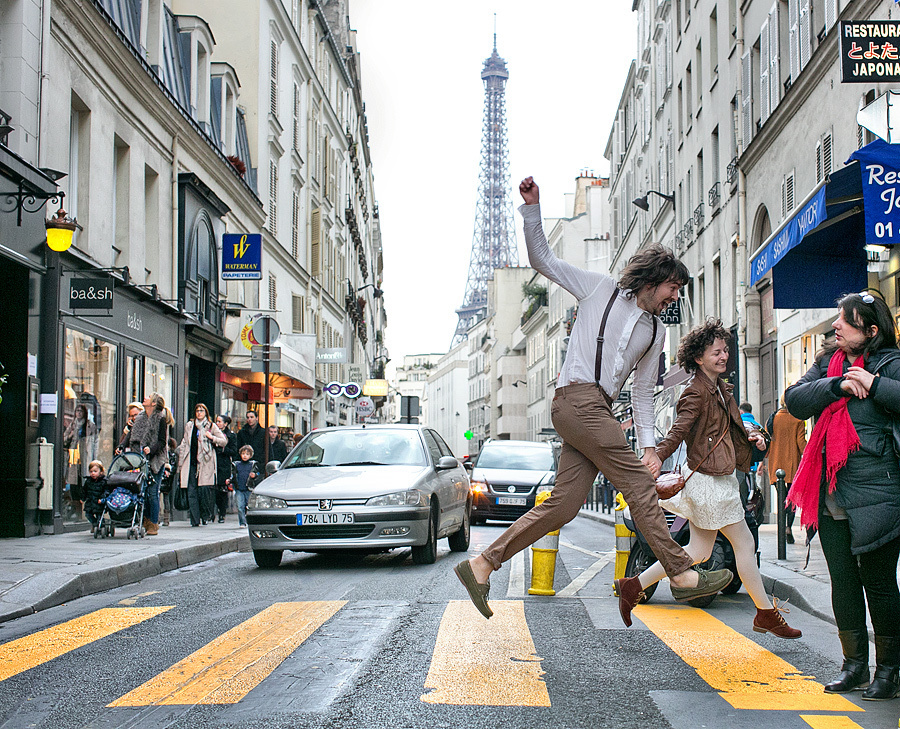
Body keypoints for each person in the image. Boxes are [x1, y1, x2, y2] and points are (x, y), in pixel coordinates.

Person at [454, 176, 733, 622]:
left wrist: (648, 447)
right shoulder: (598, 288)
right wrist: (532, 208)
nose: (674, 297)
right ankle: (680, 574)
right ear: (656, 278)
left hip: (597, 409)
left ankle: (482, 564)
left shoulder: (656, 330)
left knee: (563, 505)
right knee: (639, 487)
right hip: (573, 399)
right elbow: (543, 260)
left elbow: (643, 391)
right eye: (673, 288)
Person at [626, 321, 800, 638]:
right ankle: (765, 614)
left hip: (717, 480)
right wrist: (655, 456)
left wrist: (753, 437)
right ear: (698, 358)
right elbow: (679, 432)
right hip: (709, 482)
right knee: (743, 544)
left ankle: (633, 585)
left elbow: (731, 430)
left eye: (725, 350)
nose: (723, 356)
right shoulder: (696, 392)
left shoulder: (720, 389)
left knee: (698, 551)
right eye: (716, 352)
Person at [785, 292, 900, 701]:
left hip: (877, 492)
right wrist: (838, 385)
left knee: (880, 584)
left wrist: (874, 383)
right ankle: (854, 666)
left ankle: (889, 672)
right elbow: (794, 401)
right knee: (844, 584)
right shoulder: (827, 363)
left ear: (870, 331)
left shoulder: (891, 364)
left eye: (846, 322)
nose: (836, 326)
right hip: (830, 492)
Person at [766, 394, 807, 544]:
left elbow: (766, 444)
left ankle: (783, 527)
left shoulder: (772, 419)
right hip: (792, 465)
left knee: (782, 498)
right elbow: (801, 444)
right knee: (792, 499)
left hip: (776, 465)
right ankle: (788, 527)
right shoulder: (797, 420)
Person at [177, 403, 226, 527]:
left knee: (203, 491)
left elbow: (223, 441)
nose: (199, 413)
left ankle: (205, 515)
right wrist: (180, 463)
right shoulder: (189, 426)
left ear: (206, 413)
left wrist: (212, 437)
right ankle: (194, 520)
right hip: (191, 462)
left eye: (202, 411)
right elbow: (184, 443)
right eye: (197, 410)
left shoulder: (210, 426)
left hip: (205, 462)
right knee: (191, 491)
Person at [139, 393, 171, 535]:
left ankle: (153, 523)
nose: (145, 397)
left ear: (153, 404)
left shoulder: (161, 419)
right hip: (139, 459)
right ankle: (143, 520)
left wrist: (150, 450)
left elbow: (162, 442)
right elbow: (133, 436)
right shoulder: (141, 417)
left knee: (152, 493)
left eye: (149, 397)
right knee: (142, 492)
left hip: (156, 460)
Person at [227, 445, 259, 527]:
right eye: (243, 453)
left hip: (248, 488)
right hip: (239, 488)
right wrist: (229, 480)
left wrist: (254, 475)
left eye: (247, 454)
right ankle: (242, 522)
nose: (245, 456)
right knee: (240, 506)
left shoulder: (252, 465)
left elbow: (258, 474)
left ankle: (248, 521)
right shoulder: (236, 465)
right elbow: (233, 475)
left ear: (250, 455)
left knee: (248, 506)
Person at [215, 415, 239, 523]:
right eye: (217, 421)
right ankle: (211, 512)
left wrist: (223, 450)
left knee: (222, 489)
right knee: (212, 489)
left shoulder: (231, 436)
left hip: (224, 464)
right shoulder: (212, 433)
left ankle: (222, 513)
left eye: (220, 421)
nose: (218, 423)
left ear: (225, 424)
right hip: (213, 463)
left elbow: (234, 451)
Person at [82, 460, 109, 533]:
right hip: (90, 501)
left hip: (98, 502)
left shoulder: (104, 481)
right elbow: (85, 490)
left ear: (101, 472)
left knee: (99, 515)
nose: (93, 473)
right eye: (91, 471)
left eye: (95, 471)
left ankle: (101, 526)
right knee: (88, 514)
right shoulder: (88, 481)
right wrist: (83, 498)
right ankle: (95, 524)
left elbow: (106, 491)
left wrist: (103, 498)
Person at [161, 437, 178, 526]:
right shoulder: (171, 455)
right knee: (165, 498)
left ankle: (166, 518)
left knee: (165, 498)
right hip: (166, 480)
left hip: (166, 479)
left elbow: (173, 468)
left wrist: (168, 472)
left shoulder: (171, 455)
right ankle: (164, 518)